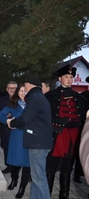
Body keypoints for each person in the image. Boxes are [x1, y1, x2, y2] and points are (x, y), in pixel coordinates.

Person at [7, 75, 53, 199]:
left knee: (39, 178)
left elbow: (25, 118)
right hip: (39, 142)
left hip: (38, 143)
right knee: (36, 177)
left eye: (24, 85)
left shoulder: (34, 97)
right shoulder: (38, 96)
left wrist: (12, 123)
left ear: (28, 84)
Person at [45, 64, 87, 199]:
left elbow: (82, 117)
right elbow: (46, 116)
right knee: (51, 168)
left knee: (67, 169)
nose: (69, 79)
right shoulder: (50, 96)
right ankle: (47, 194)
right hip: (56, 136)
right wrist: (59, 120)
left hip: (73, 138)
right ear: (59, 78)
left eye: (71, 77)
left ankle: (64, 195)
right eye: (66, 77)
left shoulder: (79, 98)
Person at [0, 85, 30, 198]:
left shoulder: (33, 104)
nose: (23, 92)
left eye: (26, 91)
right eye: (21, 90)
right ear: (18, 92)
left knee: (27, 165)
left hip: (30, 137)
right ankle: (14, 180)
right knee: (15, 163)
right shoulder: (13, 104)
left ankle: (22, 188)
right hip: (16, 137)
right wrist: (8, 121)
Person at [0, 81, 18, 173]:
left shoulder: (22, 99)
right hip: (5, 128)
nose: (12, 90)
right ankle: (8, 166)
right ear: (7, 89)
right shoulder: (2, 100)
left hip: (17, 128)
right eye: (10, 88)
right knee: (6, 146)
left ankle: (16, 166)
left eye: (14, 88)